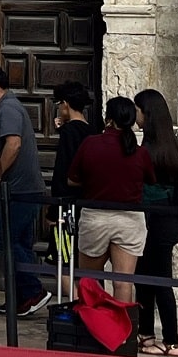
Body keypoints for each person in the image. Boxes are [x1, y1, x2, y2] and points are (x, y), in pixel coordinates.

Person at [0, 63, 50, 318]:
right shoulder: (9, 107)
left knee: (3, 239)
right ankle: (21, 298)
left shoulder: (8, 109)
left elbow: (13, 145)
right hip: (25, 190)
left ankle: (32, 291)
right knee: (20, 242)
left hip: (19, 190)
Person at [67, 97, 156, 304]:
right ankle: (122, 333)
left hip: (96, 216)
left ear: (108, 118)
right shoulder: (139, 151)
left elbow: (72, 179)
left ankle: (95, 329)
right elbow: (150, 179)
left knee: (91, 281)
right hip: (129, 219)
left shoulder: (91, 144)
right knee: (123, 284)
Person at [134, 88, 178, 355]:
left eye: (138, 110)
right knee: (154, 279)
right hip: (172, 219)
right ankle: (155, 336)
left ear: (147, 114)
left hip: (154, 220)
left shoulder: (148, 150)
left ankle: (166, 339)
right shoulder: (172, 146)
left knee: (153, 280)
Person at [49, 81, 94, 202]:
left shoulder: (68, 132)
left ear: (65, 104)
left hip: (68, 199)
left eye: (59, 103)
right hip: (87, 197)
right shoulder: (92, 131)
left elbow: (62, 169)